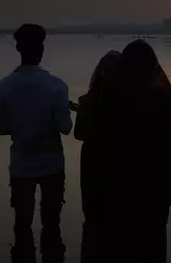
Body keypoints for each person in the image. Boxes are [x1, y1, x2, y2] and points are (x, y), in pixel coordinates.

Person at [80, 39, 171, 262]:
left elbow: (91, 156)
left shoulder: (105, 100)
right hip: (151, 200)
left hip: (112, 198)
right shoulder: (165, 101)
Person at [0, 24, 73, 263]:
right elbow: (66, 128)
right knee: (52, 225)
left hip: (21, 166)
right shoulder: (57, 86)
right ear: (42, 50)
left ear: (18, 48)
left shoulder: (3, 87)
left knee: (22, 225)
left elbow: (1, 129)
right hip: (52, 165)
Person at [72, 50, 123, 262]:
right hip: (119, 161)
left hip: (93, 160)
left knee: (93, 216)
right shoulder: (129, 99)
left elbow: (79, 133)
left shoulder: (90, 100)